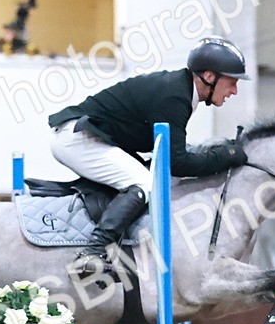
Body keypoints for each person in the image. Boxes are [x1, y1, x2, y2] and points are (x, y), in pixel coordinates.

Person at [48, 36, 251, 280]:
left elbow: (172, 154)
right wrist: (226, 155)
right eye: (231, 82)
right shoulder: (175, 96)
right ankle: (93, 252)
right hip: (78, 138)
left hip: (91, 137)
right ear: (209, 76)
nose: (234, 91)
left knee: (145, 178)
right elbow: (177, 163)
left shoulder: (180, 90)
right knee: (145, 184)